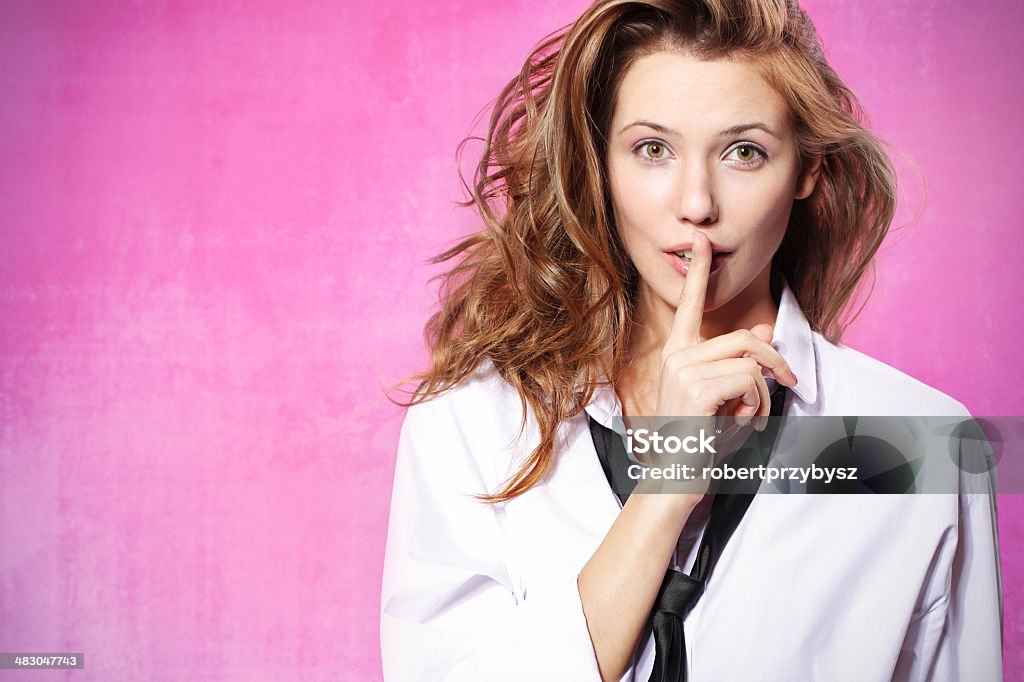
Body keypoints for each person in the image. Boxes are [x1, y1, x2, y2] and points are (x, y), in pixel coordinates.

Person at [380, 0, 1003, 680]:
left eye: (744, 152)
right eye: (653, 149)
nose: (697, 202)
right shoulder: (472, 421)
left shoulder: (920, 439)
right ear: (602, 166)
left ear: (807, 170)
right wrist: (665, 492)